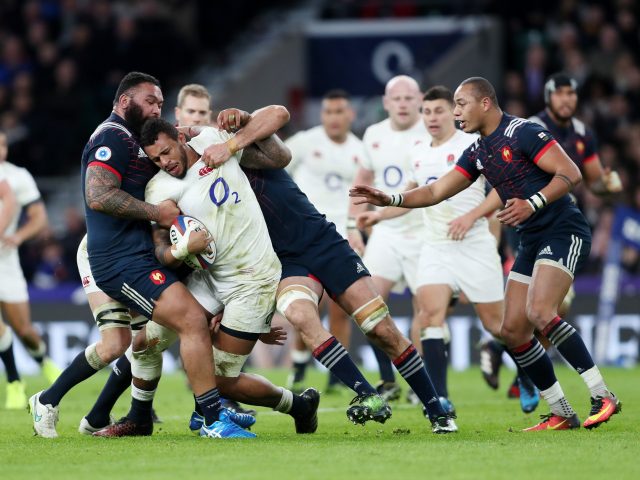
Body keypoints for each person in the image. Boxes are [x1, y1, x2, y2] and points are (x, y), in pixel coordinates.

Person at [351, 76, 621, 431]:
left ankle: (603, 395)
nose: (456, 111)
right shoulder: (479, 151)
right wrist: (392, 199)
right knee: (511, 330)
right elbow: (435, 192)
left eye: (461, 104)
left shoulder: (523, 132)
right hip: (530, 238)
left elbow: (570, 172)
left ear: (485, 104)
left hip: (562, 230)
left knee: (540, 311)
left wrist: (533, 202)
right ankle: (561, 411)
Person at [28, 72, 247, 440]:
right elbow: (98, 195)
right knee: (191, 320)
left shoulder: (135, 139)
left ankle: (52, 401)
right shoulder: (112, 136)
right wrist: (156, 213)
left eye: (161, 103)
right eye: (151, 101)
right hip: (119, 259)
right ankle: (211, 418)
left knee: (121, 344)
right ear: (126, 101)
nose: (156, 107)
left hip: (136, 255)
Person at [95, 112, 320, 437]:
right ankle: (140, 418)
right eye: (156, 158)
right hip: (207, 279)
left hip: (252, 279)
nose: (164, 162)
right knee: (144, 343)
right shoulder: (159, 189)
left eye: (167, 152)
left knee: (218, 381)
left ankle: (298, 406)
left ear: (180, 138)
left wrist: (232, 144)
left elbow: (280, 115)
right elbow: (160, 250)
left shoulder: (214, 141)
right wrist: (182, 249)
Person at [474, 73, 623, 410]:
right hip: (522, 228)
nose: (567, 100)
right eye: (561, 94)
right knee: (525, 319)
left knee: (548, 309)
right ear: (548, 97)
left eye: (572, 94)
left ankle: (592, 392)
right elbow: (502, 186)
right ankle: (542, 390)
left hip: (559, 223)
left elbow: (591, 180)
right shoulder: (527, 128)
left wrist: (608, 185)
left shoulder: (583, 135)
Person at [357, 86, 505, 417]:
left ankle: (523, 371)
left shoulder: (471, 144)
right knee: (428, 317)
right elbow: (414, 197)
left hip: (474, 244)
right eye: (427, 112)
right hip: (434, 245)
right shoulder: (418, 152)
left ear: (453, 112)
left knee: (501, 327)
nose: (432, 118)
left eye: (439, 111)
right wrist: (379, 213)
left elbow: (502, 191)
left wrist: (472, 216)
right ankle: (440, 400)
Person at [348, 75, 428, 400]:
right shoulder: (374, 134)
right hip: (386, 233)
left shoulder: (432, 130)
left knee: (426, 312)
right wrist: (353, 226)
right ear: (386, 102)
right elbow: (362, 180)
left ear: (420, 99)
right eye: (397, 98)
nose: (403, 104)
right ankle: (388, 381)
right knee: (367, 305)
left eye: (409, 98)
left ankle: (417, 383)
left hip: (424, 232)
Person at [284, 89, 362, 392]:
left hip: (342, 235)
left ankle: (336, 375)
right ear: (322, 115)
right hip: (305, 234)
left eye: (339, 111)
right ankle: (300, 364)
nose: (333, 118)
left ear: (350, 115)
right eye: (328, 112)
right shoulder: (305, 142)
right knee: (304, 304)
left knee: (341, 306)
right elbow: (275, 165)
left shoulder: (360, 150)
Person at [0, 130, 61, 410]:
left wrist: (18, 236)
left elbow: (39, 219)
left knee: (24, 330)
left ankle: (43, 361)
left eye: (3, 144)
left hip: (6, 260)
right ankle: (14, 381)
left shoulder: (16, 177)